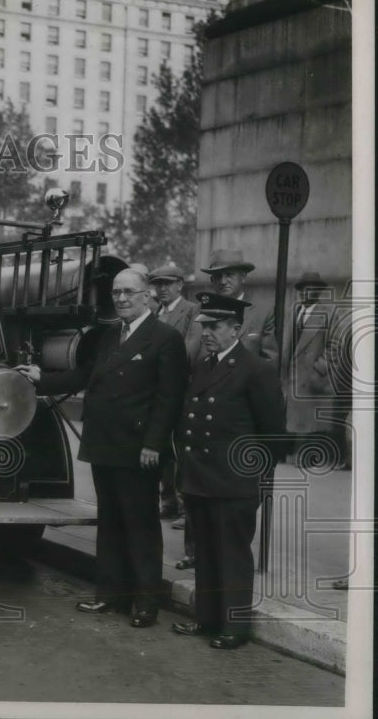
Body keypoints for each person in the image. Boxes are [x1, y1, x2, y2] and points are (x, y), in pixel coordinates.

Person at [16, 268, 188, 627]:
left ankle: (145, 603)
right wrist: (41, 378)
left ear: (147, 297)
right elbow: (85, 376)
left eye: (129, 292)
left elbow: (169, 399)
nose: (121, 299)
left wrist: (154, 444)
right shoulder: (111, 335)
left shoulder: (165, 337)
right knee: (110, 523)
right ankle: (109, 595)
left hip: (139, 449)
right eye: (116, 293)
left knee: (141, 526)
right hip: (104, 443)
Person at [171, 293, 286, 649]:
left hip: (233, 481)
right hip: (200, 478)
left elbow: (273, 435)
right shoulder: (204, 366)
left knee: (232, 554)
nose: (206, 332)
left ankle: (235, 628)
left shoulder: (255, 368)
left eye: (215, 326)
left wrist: (251, 477)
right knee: (205, 551)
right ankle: (207, 619)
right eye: (204, 325)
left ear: (236, 329)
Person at [150, 264, 202, 528]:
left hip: (180, 388)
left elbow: (190, 350)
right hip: (156, 390)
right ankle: (168, 501)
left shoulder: (193, 311)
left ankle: (184, 506)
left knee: (180, 448)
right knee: (161, 447)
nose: (163, 288)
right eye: (158, 284)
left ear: (180, 285)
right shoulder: (155, 313)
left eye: (168, 283)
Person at [282, 271, 337, 464]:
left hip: (311, 375)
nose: (306, 291)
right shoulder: (293, 311)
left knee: (309, 420)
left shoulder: (328, 313)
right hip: (292, 373)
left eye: (311, 288)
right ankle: (295, 454)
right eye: (303, 288)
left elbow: (334, 345)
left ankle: (304, 455)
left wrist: (320, 368)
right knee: (295, 417)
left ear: (319, 291)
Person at [200, 249, 279, 363]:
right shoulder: (200, 310)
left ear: (243, 277)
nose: (223, 281)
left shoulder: (263, 312)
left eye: (229, 275)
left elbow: (269, 360)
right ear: (212, 280)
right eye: (218, 276)